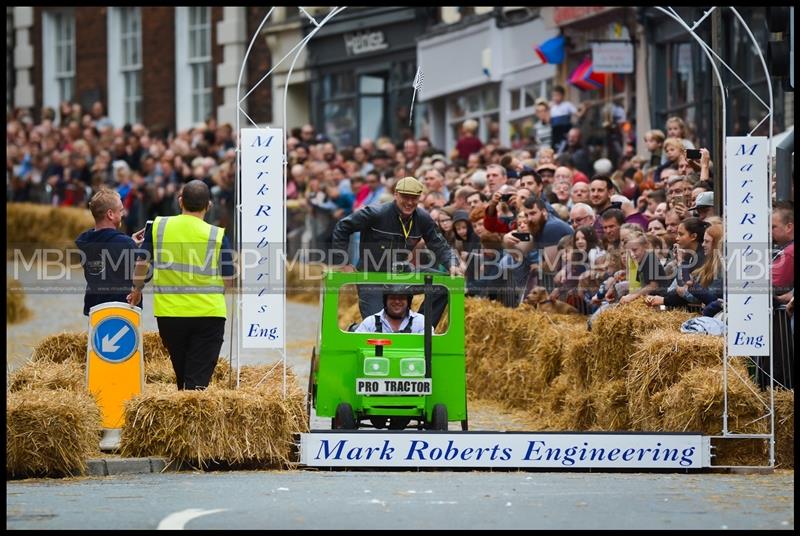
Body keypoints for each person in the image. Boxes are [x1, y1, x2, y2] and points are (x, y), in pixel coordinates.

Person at [127, 180, 235, 390]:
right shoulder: (217, 235)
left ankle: (184, 414)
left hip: (170, 315)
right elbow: (229, 281)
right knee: (196, 384)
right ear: (209, 206)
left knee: (182, 376)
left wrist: (137, 289)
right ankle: (192, 417)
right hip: (208, 315)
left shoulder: (158, 226)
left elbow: (141, 264)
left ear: (180, 201)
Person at [330, 176, 463, 326]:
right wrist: (344, 263)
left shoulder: (423, 218)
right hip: (372, 276)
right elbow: (342, 227)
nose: (409, 202)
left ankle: (420, 328)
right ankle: (356, 329)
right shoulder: (375, 213)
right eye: (405, 197)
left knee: (443, 284)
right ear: (396, 195)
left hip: (402, 273)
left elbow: (439, 244)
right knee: (378, 326)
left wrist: (452, 263)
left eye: (414, 198)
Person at [76, 188, 142, 315]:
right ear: (110, 214)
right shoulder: (124, 243)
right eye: (121, 210)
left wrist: (130, 243)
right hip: (122, 308)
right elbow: (144, 273)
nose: (123, 214)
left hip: (95, 308)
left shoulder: (85, 242)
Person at [355, 288, 425, 334]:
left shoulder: (421, 322)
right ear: (385, 301)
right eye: (393, 297)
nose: (397, 301)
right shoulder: (370, 323)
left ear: (408, 301)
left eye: (401, 298)